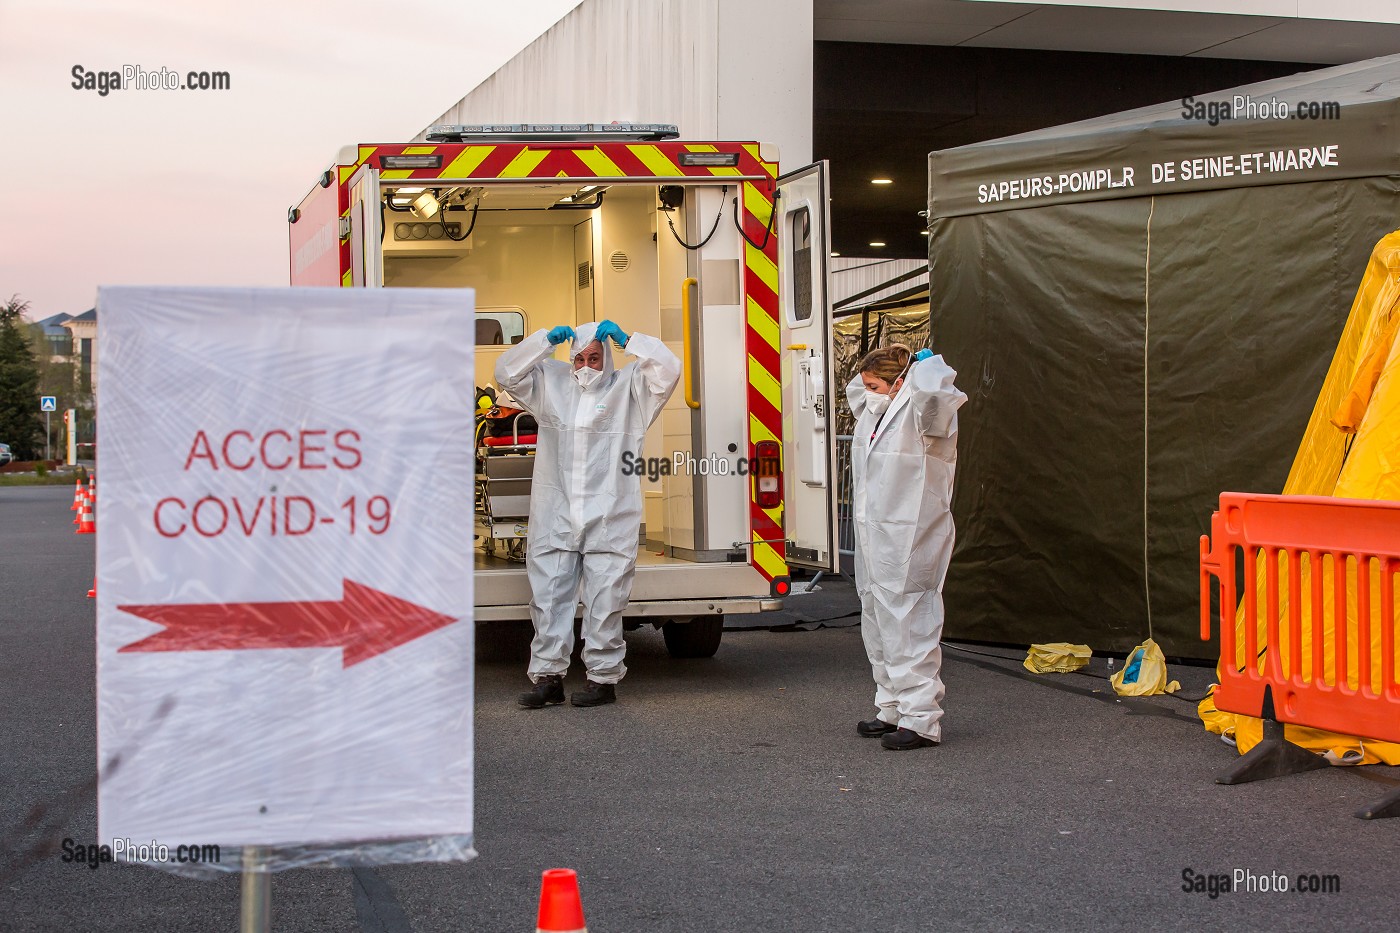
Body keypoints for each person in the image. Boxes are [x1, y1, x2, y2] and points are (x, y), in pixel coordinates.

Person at [495, 319, 681, 708]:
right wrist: (542, 342)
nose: (585, 365)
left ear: (607, 356)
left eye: (595, 357)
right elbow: (506, 372)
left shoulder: (630, 388)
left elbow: (668, 370)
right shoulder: (551, 383)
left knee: (605, 602)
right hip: (556, 513)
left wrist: (631, 340)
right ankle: (548, 678)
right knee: (549, 599)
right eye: (578, 357)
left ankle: (602, 680)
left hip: (609, 514)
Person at [846, 343, 967, 750]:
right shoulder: (875, 415)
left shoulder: (925, 415)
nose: (868, 392)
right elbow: (854, 391)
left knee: (911, 625)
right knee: (878, 624)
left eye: (876, 384)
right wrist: (882, 369)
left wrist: (928, 364)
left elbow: (937, 395)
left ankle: (921, 720)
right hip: (876, 539)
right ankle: (892, 708)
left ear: (901, 382)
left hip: (911, 538)